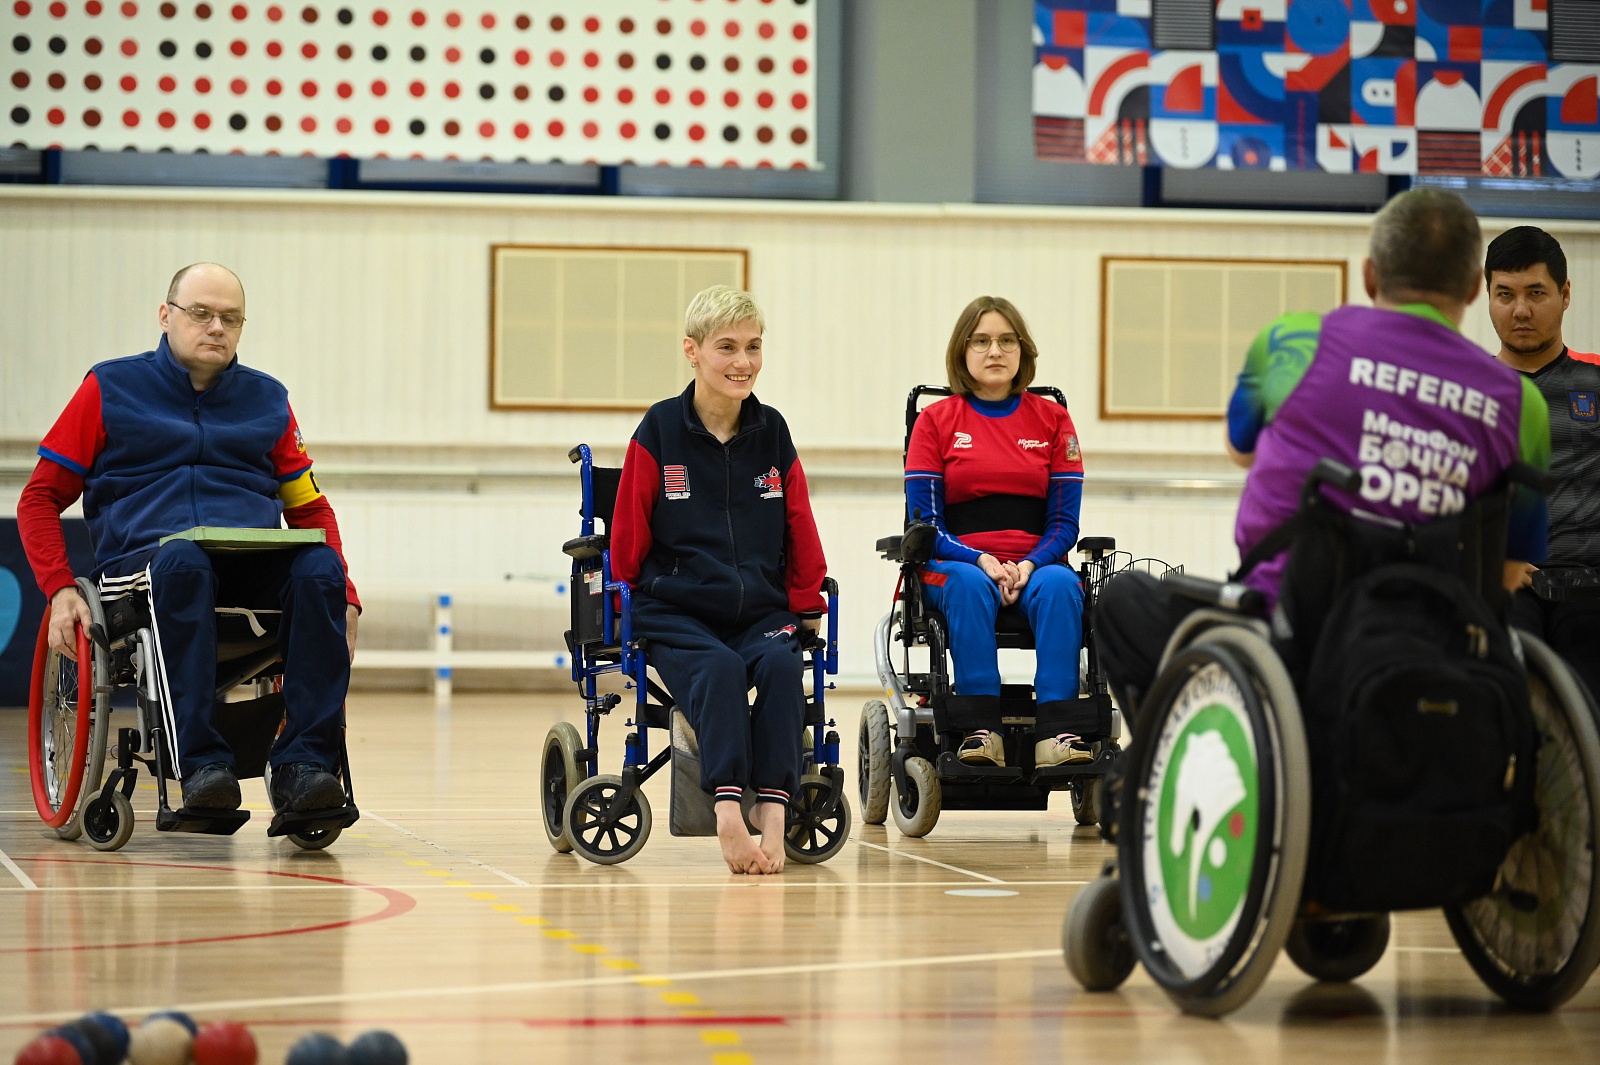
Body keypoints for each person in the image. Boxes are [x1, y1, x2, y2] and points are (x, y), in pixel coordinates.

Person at [1098, 189, 1550, 720]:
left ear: (1370, 276)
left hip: (1285, 636)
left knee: (1123, 598)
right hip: (1438, 645)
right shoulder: (1521, 403)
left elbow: (1241, 452)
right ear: (1475, 287)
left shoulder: (1293, 341)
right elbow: (1510, 570)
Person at [17, 263, 361, 815]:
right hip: (146, 564)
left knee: (319, 567)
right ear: (165, 315)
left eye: (231, 318)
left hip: (247, 565)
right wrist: (59, 588)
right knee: (184, 561)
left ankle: (305, 767)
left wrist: (347, 596)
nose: (216, 327)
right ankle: (202, 765)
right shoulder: (109, 387)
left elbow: (310, 508)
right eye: (201, 313)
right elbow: (38, 498)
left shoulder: (269, 399)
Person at [610, 285, 827, 876]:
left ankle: (774, 812)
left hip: (759, 611)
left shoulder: (772, 431)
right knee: (720, 669)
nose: (743, 362)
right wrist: (626, 600)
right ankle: (728, 812)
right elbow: (628, 531)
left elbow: (800, 523)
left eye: (754, 347)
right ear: (693, 351)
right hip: (675, 610)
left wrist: (806, 600)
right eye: (727, 347)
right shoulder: (659, 428)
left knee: (781, 666)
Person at [904, 296, 1091, 768]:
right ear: (962, 351)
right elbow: (926, 525)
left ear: (1022, 350)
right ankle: (980, 730)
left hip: (1035, 564)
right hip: (956, 564)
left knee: (1062, 587)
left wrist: (1029, 564)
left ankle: (1057, 734)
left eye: (1007, 340)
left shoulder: (1053, 420)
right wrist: (981, 560)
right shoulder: (935, 422)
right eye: (981, 341)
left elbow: (1064, 524)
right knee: (968, 586)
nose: (995, 351)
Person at [1485, 226, 1600, 696]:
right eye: (1505, 295)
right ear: (1488, 297)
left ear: (1565, 294)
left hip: (1590, 586)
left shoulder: (1594, 379)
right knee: (1508, 692)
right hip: (1507, 585)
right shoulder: (1468, 393)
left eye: (1536, 293)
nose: (1521, 310)